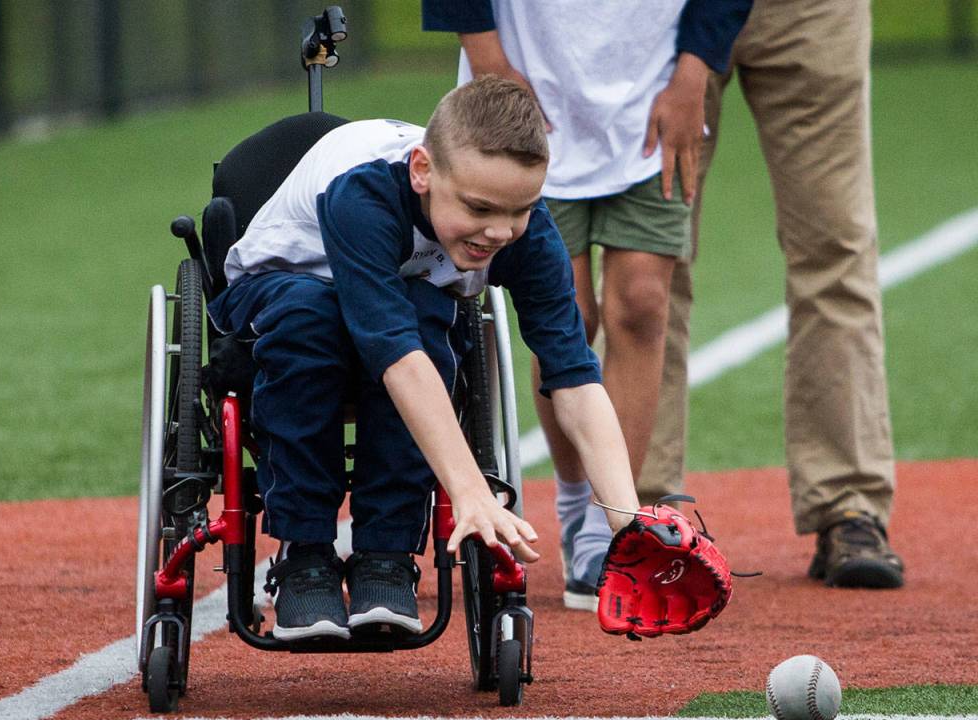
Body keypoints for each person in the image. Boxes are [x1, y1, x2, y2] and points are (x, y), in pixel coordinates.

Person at [208, 76, 642, 642]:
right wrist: (470, 491)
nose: (499, 231)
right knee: (314, 319)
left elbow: (575, 377)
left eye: (521, 210)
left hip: (404, 300)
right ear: (422, 172)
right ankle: (305, 553)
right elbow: (397, 358)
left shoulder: (523, 233)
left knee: (424, 310)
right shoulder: (362, 196)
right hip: (287, 282)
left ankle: (384, 557)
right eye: (480, 208)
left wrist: (630, 527)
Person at [423, 0, 752, 609]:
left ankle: (610, 527)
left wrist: (695, 71)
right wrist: (490, 61)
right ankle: (576, 505)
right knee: (567, 314)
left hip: (654, 92)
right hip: (530, 103)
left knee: (644, 303)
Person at [640, 0, 904, 589]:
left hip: (810, 10)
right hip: (664, 12)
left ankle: (848, 504)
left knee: (836, 245)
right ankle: (642, 510)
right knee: (650, 254)